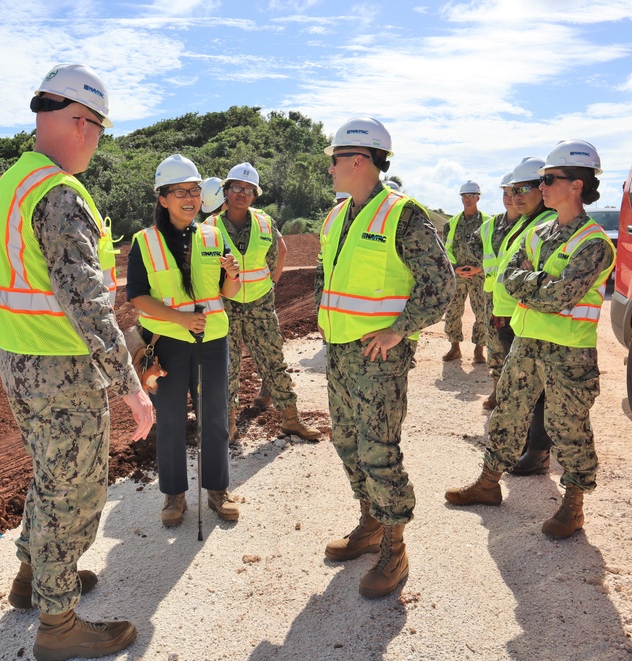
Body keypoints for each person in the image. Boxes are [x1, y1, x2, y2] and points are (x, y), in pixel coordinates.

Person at [0, 63, 154, 661]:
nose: (97, 143)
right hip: (61, 367)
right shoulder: (57, 195)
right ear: (82, 123)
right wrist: (131, 387)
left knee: (50, 476)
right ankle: (58, 623)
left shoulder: (11, 184)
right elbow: (88, 305)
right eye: (99, 132)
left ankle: (33, 578)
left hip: (20, 359)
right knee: (75, 491)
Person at [445, 140, 616, 540]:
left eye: (549, 179)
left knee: (567, 425)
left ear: (576, 185)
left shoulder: (594, 243)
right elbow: (507, 276)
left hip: (569, 350)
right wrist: (537, 284)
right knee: (507, 410)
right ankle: (488, 483)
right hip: (528, 340)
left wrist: (531, 283)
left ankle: (573, 504)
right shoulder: (539, 231)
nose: (542, 185)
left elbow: (562, 295)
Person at [317, 117, 454, 598]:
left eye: (334, 159)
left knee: (379, 452)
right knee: (347, 443)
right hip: (340, 353)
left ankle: (394, 549)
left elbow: (441, 284)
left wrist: (400, 329)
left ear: (359, 161)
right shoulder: (336, 215)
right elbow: (326, 278)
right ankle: (370, 522)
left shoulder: (404, 214)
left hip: (378, 360)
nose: (329, 168)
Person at [128, 154, 242, 528]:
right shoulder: (144, 242)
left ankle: (217, 490)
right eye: (181, 192)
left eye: (194, 190)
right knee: (172, 420)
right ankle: (174, 495)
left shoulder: (212, 234)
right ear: (162, 198)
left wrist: (233, 275)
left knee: (214, 416)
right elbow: (138, 297)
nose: (190, 198)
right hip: (169, 344)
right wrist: (180, 318)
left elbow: (227, 291)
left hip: (212, 340)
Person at [204, 161, 320, 443]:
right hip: (225, 306)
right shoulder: (210, 226)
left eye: (248, 189)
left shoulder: (265, 222)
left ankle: (291, 420)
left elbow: (280, 250)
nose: (242, 194)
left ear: (255, 195)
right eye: (236, 188)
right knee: (225, 366)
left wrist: (272, 283)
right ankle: (228, 424)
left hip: (260, 304)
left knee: (273, 361)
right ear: (226, 191)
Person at [490, 157, 557, 475]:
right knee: (522, 388)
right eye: (513, 189)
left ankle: (538, 452)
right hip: (511, 316)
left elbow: (538, 277)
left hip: (527, 318)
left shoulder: (548, 224)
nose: (516, 196)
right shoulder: (526, 221)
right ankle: (530, 444)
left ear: (543, 188)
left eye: (524, 188)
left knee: (535, 389)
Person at [472, 171, 519, 409]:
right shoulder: (492, 224)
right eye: (505, 193)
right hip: (493, 294)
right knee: (495, 345)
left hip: (518, 297)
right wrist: (474, 267)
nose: (509, 198)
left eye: (514, 192)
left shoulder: (531, 224)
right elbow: (473, 246)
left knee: (515, 348)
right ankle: (495, 390)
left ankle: (512, 395)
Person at [441, 181, 489, 363]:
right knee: (453, 311)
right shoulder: (451, 223)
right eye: (465, 196)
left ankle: (479, 349)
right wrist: (455, 269)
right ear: (461, 198)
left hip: (480, 275)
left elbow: (494, 249)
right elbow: (446, 249)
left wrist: (479, 267)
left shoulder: (488, 222)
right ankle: (455, 348)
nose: (468, 199)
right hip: (458, 275)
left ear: (478, 197)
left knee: (482, 312)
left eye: (471, 196)